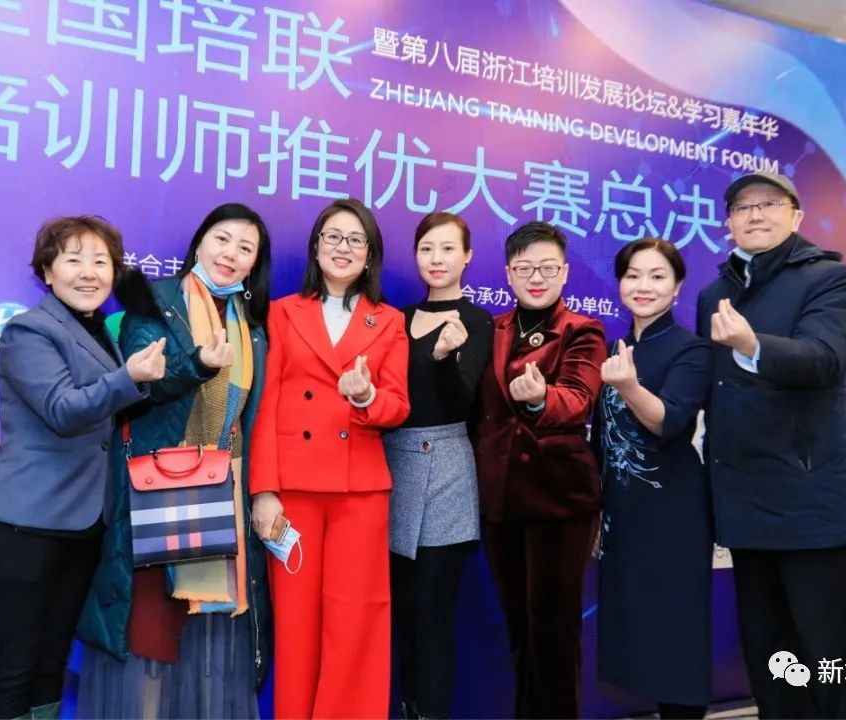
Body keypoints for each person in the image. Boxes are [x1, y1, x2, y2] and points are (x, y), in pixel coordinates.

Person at [76, 203, 274, 719]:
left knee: (207, 650)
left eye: (246, 248)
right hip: (159, 496)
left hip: (224, 499)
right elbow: (148, 384)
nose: (231, 254)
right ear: (199, 241)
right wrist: (199, 364)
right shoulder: (157, 301)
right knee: (153, 639)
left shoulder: (252, 328)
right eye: (222, 239)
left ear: (254, 264)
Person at [0, 216, 164, 719]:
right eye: (74, 259)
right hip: (22, 526)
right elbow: (62, 409)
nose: (89, 272)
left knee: (51, 663)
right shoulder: (28, 331)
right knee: (14, 669)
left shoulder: (98, 331)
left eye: (101, 261)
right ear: (47, 272)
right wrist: (129, 377)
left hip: (81, 526)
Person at [696, 171, 846, 719]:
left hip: (810, 503)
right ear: (728, 224)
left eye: (769, 203)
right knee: (772, 657)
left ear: (796, 216)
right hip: (745, 506)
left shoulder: (831, 278)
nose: (755, 214)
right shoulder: (713, 294)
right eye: (742, 207)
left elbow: (824, 360)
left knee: (834, 658)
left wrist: (752, 344)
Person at [248, 197, 410, 719]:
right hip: (293, 490)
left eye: (355, 240)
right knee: (295, 625)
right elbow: (265, 406)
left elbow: (397, 406)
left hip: (359, 491)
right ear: (316, 247)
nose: (343, 248)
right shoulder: (281, 312)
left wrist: (365, 397)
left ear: (370, 255)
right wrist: (264, 490)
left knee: (356, 622)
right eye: (333, 237)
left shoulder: (389, 321)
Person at [473, 221, 606, 718]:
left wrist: (539, 400)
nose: (536, 277)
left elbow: (578, 397)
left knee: (553, 633)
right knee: (519, 629)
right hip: (501, 500)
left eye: (547, 268)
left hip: (559, 501)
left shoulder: (583, 330)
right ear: (508, 273)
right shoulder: (492, 328)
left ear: (565, 273)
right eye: (525, 267)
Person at [592, 238, 713, 719]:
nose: (644, 286)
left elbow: (669, 420)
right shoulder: (614, 348)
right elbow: (602, 438)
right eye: (633, 275)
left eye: (658, 276)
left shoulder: (692, 349)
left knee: (676, 638)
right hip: (623, 515)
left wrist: (629, 386)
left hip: (673, 515)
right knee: (639, 637)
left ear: (677, 287)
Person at [384, 212, 494, 720]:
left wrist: (447, 357)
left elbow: (462, 401)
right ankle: (408, 709)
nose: (436, 258)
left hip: (447, 466)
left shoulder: (475, 320)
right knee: (402, 607)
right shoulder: (396, 318)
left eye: (448, 248)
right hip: (392, 466)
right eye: (427, 248)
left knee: (432, 608)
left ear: (467, 256)